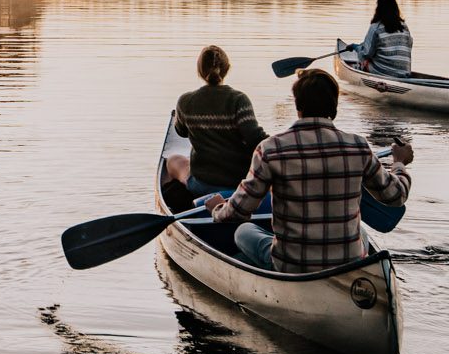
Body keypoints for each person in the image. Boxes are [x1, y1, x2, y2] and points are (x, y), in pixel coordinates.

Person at [207, 68, 412, 272]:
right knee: (361, 231)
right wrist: (399, 163)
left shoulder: (270, 149)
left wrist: (218, 209)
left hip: (292, 265)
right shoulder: (358, 147)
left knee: (242, 231)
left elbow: (238, 212)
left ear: (298, 105)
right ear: (334, 106)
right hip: (349, 263)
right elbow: (396, 196)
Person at [166, 46, 268, 198]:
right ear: (227, 69)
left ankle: (180, 199)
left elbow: (181, 132)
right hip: (240, 184)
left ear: (199, 71)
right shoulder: (239, 99)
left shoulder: (185, 101)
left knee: (172, 160)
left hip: (202, 184)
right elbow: (257, 140)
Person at [356, 0, 412, 77]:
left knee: (364, 60)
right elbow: (408, 46)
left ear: (378, 10)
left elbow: (366, 54)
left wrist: (356, 48)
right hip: (404, 73)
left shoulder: (375, 27)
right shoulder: (404, 27)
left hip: (383, 72)